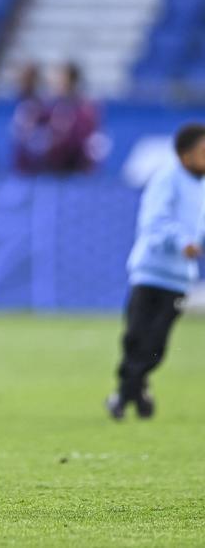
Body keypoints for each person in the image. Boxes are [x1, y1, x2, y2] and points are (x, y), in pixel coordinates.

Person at [106, 123, 205, 420]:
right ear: (184, 155)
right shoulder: (166, 179)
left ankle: (127, 393)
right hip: (150, 271)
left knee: (155, 344)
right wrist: (182, 242)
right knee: (136, 336)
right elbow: (155, 221)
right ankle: (130, 394)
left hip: (178, 278)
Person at [13, 61, 100, 174]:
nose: (57, 83)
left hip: (75, 169)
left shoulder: (84, 109)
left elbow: (85, 141)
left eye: (61, 79)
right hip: (52, 168)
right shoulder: (50, 107)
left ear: (71, 81)